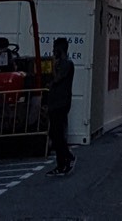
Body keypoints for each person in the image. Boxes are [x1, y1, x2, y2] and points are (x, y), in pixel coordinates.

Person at [46, 37, 76, 177]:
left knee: (58, 134)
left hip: (61, 103)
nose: (53, 51)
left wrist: (53, 65)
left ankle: (65, 160)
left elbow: (56, 79)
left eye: (55, 48)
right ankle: (63, 161)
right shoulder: (60, 64)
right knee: (54, 133)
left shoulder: (67, 64)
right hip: (54, 103)